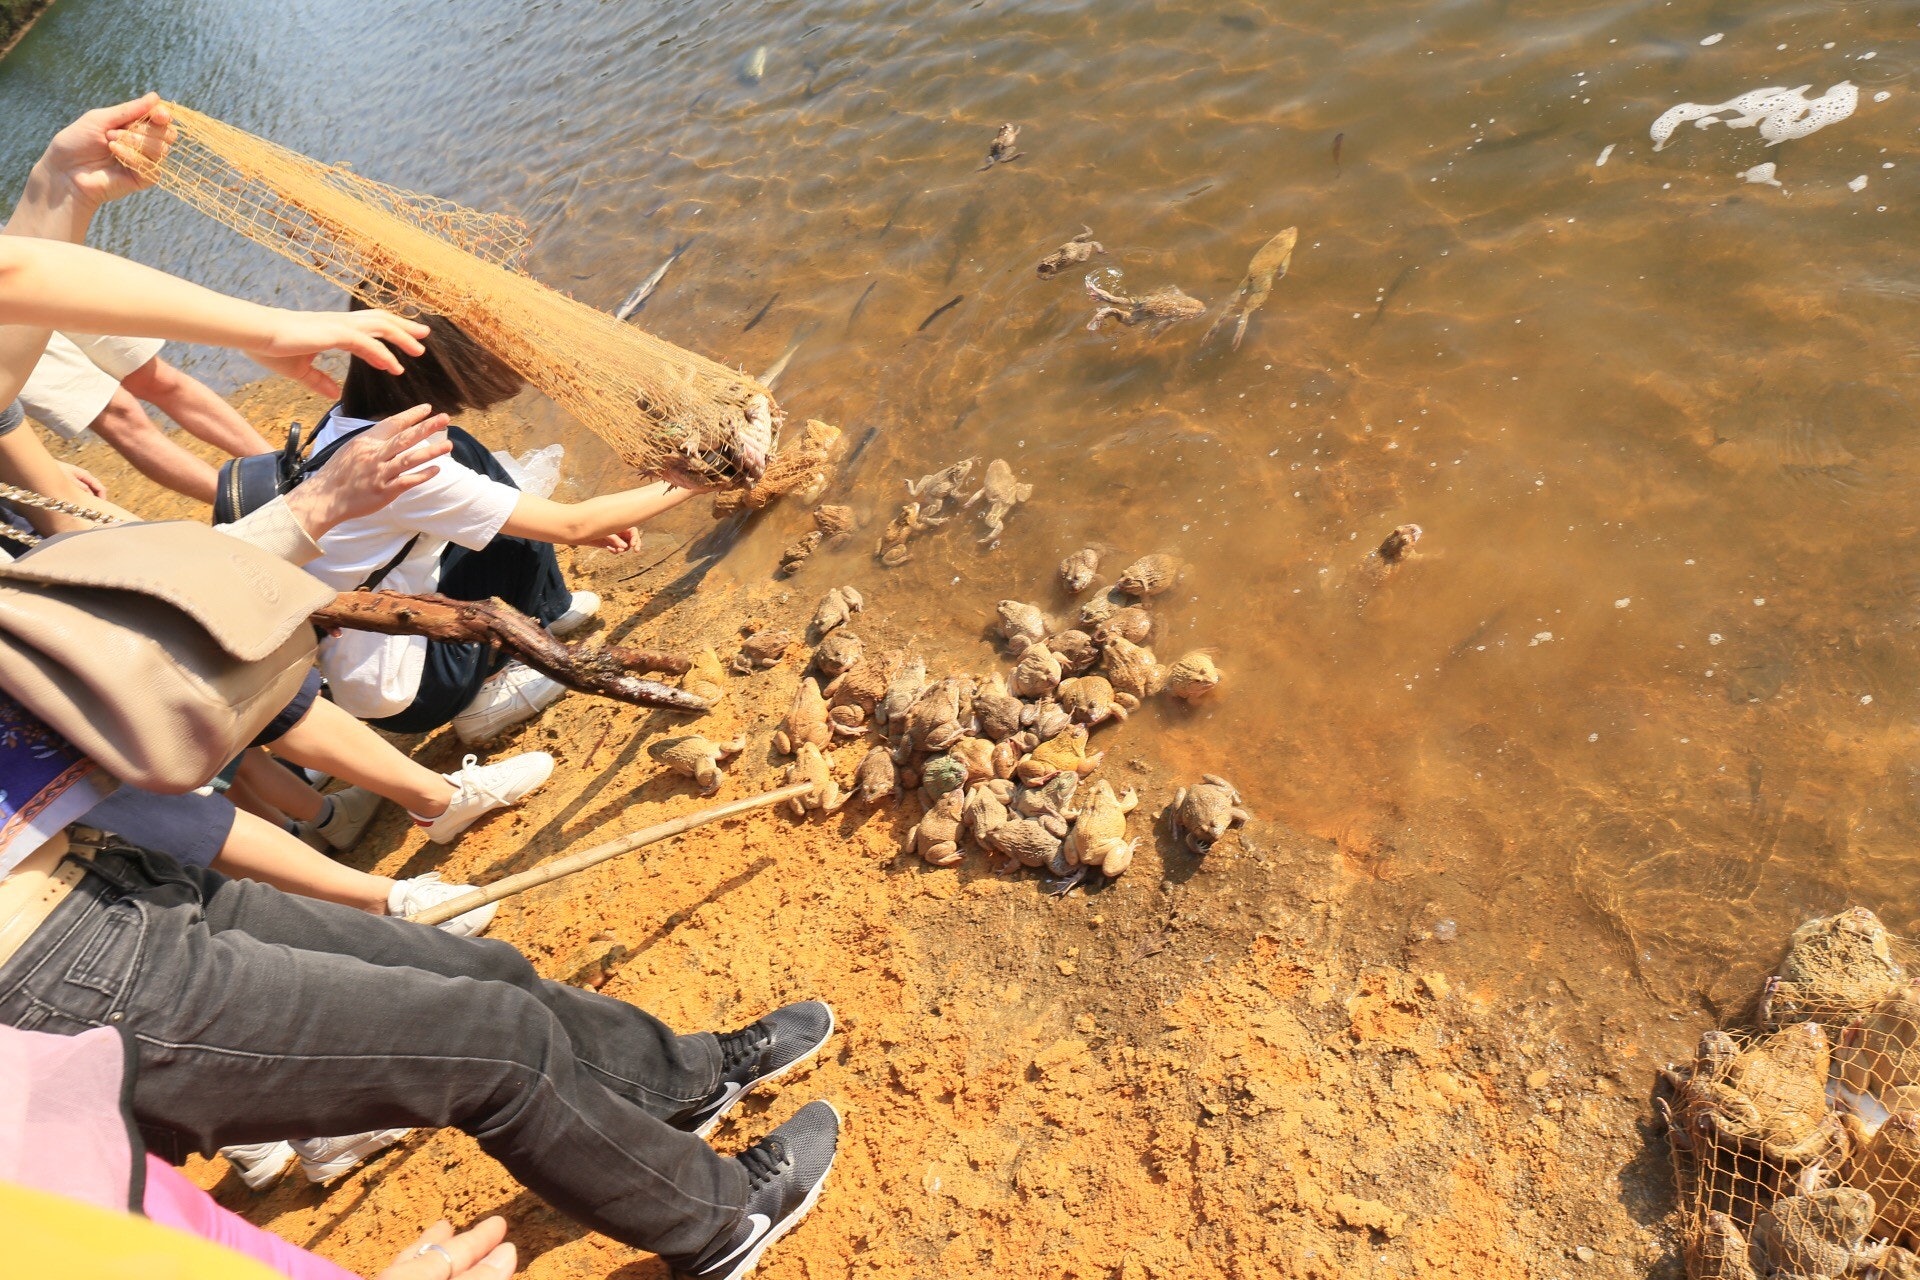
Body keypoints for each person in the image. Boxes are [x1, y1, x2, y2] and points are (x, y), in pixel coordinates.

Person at [304, 304, 707, 743]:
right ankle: (485, 697)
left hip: (364, 649)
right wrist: (699, 479)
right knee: (521, 540)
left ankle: (550, 606)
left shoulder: (348, 422)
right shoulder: (405, 469)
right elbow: (571, 525)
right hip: (411, 688)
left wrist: (575, 525)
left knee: (462, 450)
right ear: (448, 368)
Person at [18, 333, 274, 504]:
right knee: (119, 414)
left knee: (156, 377)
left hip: (39, 260)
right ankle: (252, 505)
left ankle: (287, 470)